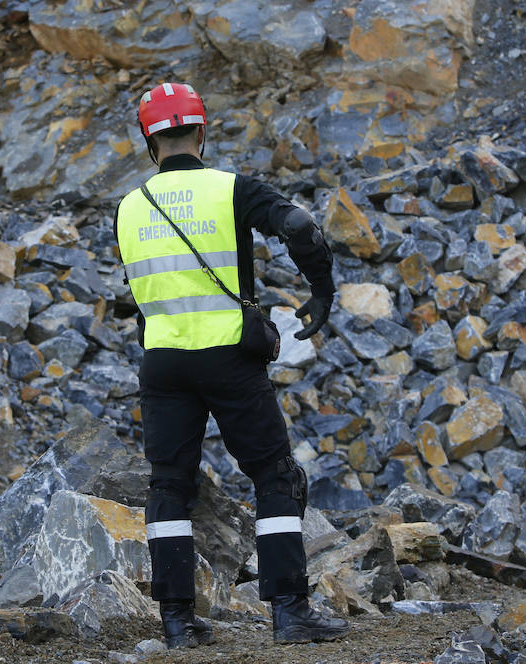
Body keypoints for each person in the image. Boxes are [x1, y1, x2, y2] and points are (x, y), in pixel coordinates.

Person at [114, 82, 350, 649]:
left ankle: (177, 622)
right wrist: (321, 291)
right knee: (275, 476)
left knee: (169, 485)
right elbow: (297, 227)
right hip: (229, 357)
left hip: (164, 363)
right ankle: (290, 611)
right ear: (200, 131)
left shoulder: (130, 205)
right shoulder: (231, 189)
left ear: (150, 141)